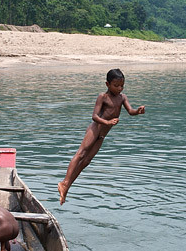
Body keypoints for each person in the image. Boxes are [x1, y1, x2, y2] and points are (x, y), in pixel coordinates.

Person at [58, 68, 145, 204]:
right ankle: (64, 182)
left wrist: (137, 111)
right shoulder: (103, 97)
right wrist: (108, 122)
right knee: (81, 154)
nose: (119, 88)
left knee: (86, 161)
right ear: (107, 84)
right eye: (116, 86)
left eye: (122, 85)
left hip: (103, 134)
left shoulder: (122, 98)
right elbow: (94, 116)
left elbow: (130, 111)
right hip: (95, 129)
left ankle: (67, 187)